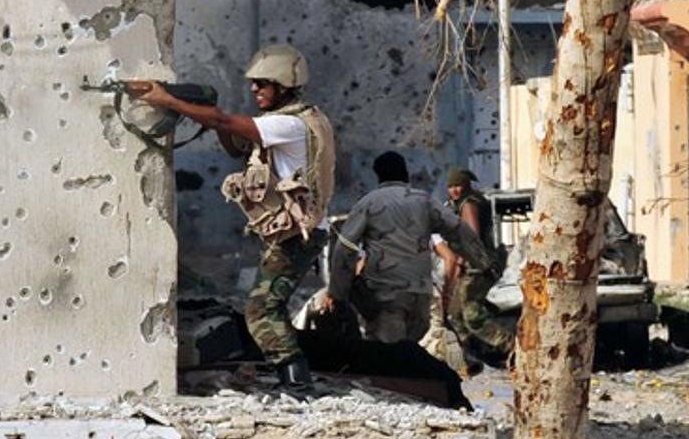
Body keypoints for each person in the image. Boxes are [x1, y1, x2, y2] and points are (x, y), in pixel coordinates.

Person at [135, 44, 334, 388]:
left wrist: (169, 101)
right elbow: (233, 144)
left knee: (260, 311)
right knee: (269, 305)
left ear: (284, 85)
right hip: (291, 231)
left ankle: (297, 383)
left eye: (262, 84)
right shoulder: (293, 120)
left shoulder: (289, 125)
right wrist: (207, 114)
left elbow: (225, 122)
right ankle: (293, 379)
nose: (255, 90)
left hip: (296, 234)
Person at [325, 152, 490, 345]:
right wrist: (483, 264)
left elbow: (345, 249)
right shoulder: (425, 201)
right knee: (410, 347)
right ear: (405, 173)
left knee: (388, 353)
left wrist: (336, 292)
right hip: (420, 296)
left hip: (385, 296)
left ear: (378, 175)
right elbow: (460, 231)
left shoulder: (369, 203)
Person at [437, 167, 516, 364]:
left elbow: (472, 236)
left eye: (458, 186)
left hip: (478, 266)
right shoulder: (459, 204)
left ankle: (512, 346)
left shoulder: (469, 204)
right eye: (451, 186)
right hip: (474, 265)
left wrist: (462, 259)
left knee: (473, 316)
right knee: (455, 315)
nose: (454, 190)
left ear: (466, 186)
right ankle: (469, 357)